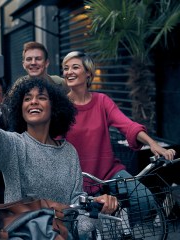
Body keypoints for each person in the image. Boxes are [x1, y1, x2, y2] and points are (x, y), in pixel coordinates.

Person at [0, 55, 118, 237]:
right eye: (27, 98)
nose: (33, 101)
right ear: (20, 109)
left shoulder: (69, 152)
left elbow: (77, 209)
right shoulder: (14, 145)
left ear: (54, 107)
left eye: (41, 97)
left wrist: (98, 207)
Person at [62, 51, 176, 222]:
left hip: (108, 172)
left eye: (75, 67)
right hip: (76, 178)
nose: (69, 71)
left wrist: (153, 144)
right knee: (83, 227)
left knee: (144, 199)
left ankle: (121, 228)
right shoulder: (61, 106)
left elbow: (128, 125)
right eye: (65, 68)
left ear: (88, 73)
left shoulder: (102, 101)